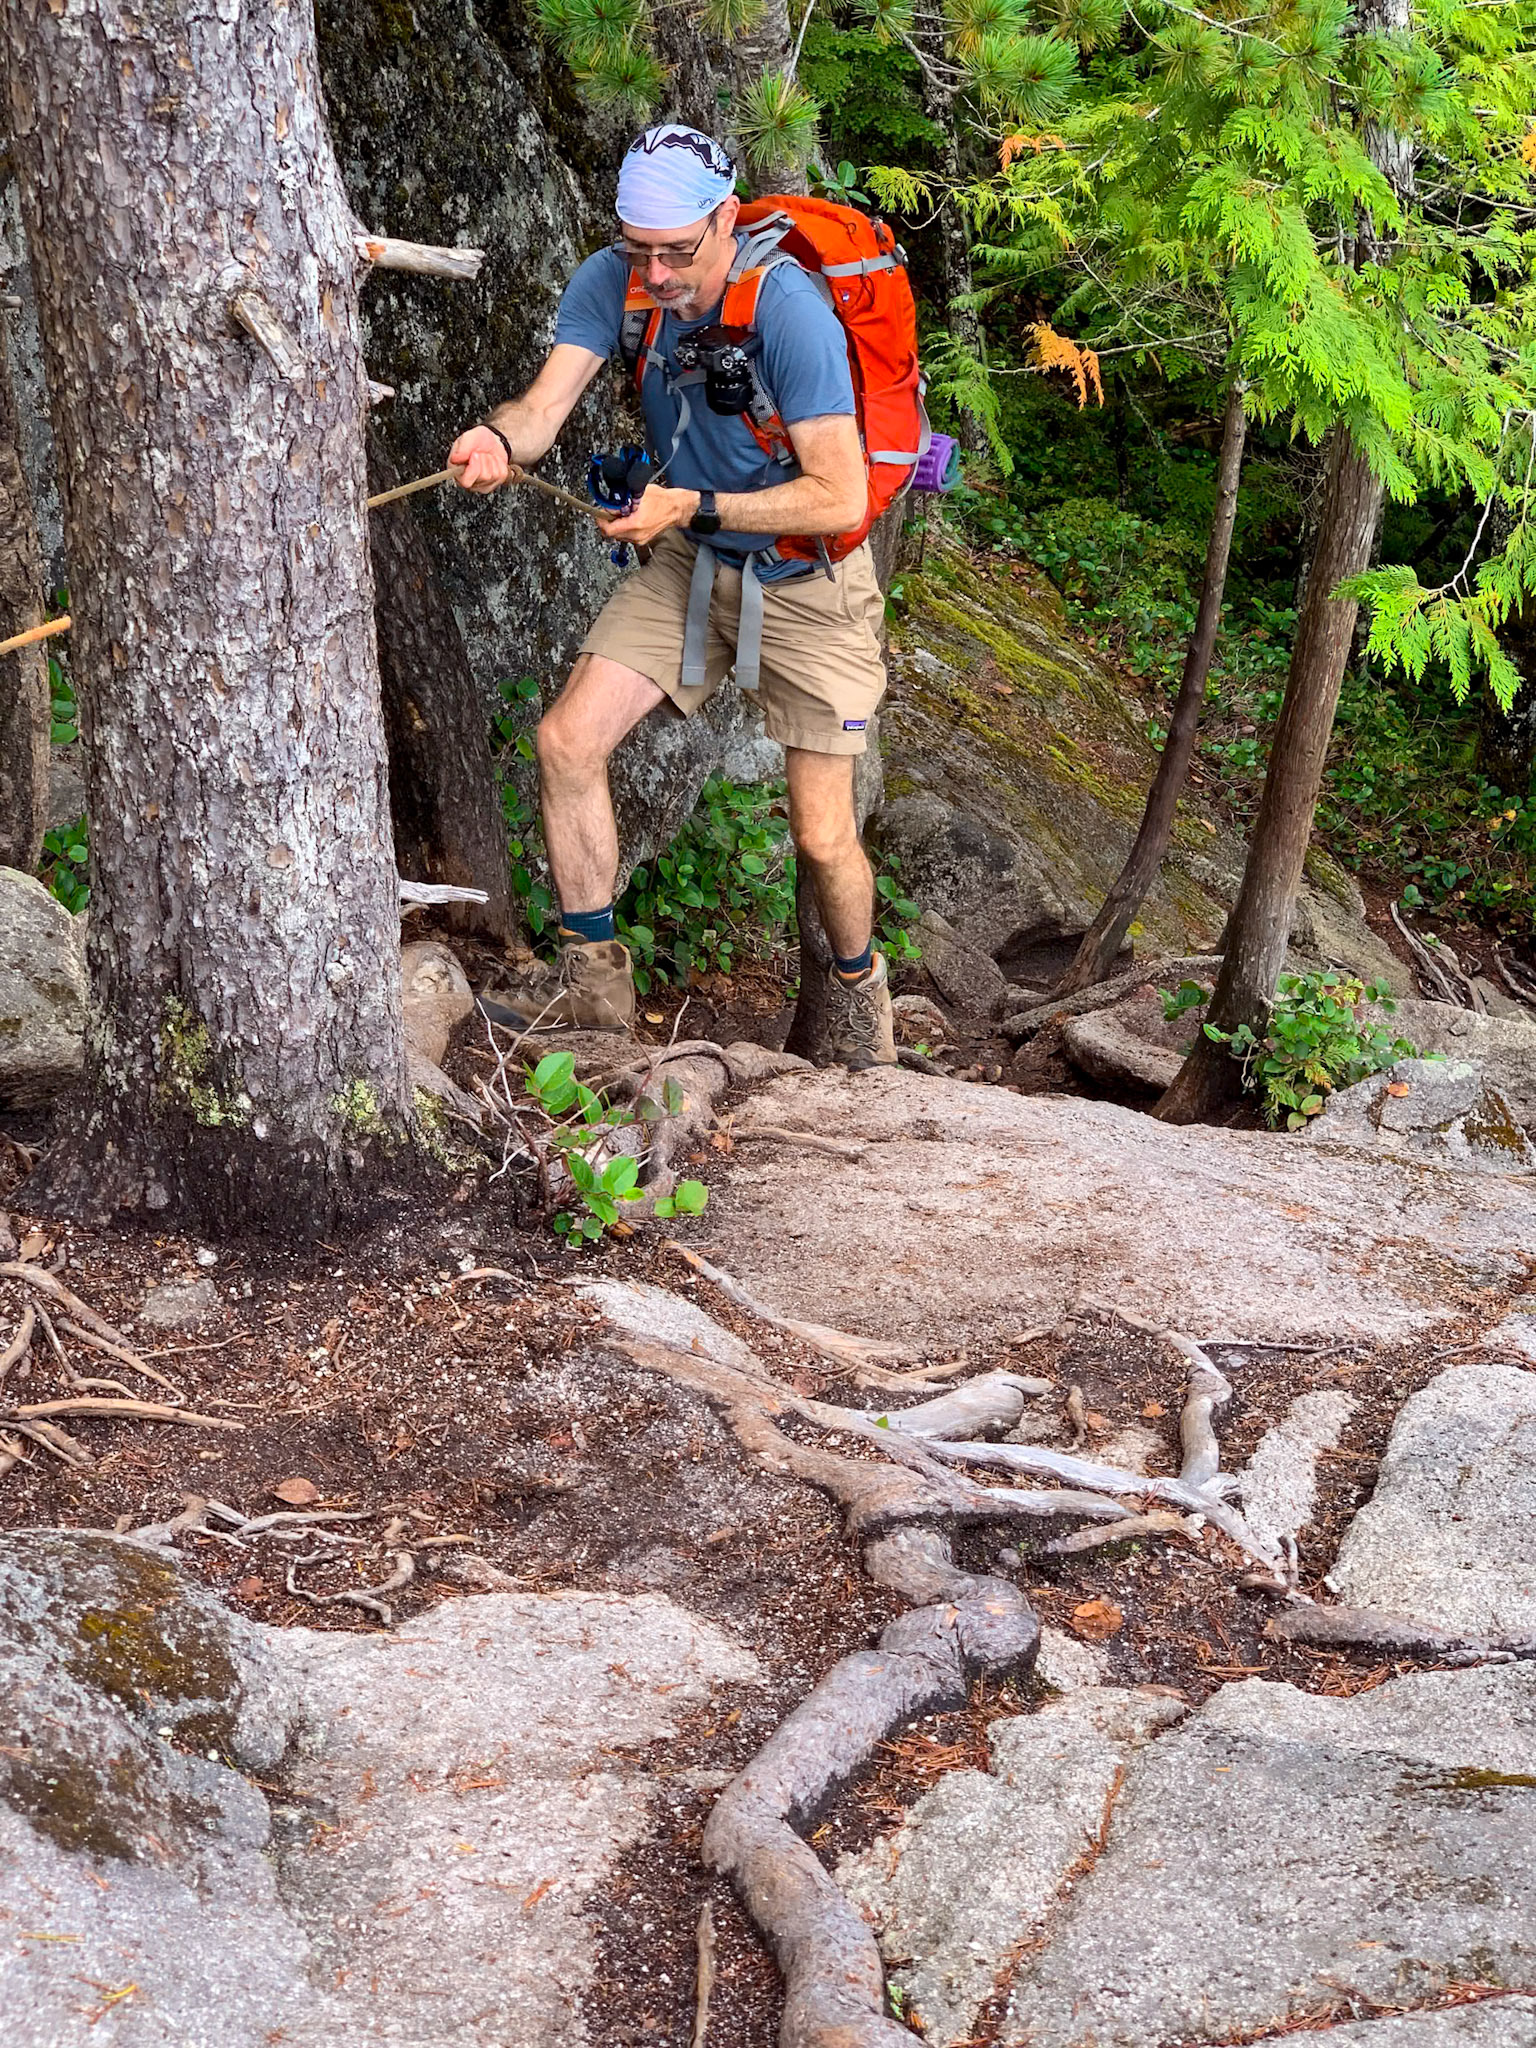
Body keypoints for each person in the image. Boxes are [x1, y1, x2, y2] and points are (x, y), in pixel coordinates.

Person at [447, 123, 896, 1069]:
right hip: (690, 558)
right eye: (635, 248)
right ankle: (593, 989)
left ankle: (860, 1003)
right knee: (567, 740)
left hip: (808, 574)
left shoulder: (789, 312)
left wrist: (695, 500)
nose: (652, 274)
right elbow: (542, 409)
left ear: (724, 219)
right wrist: (496, 439)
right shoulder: (612, 279)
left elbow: (841, 492)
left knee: (820, 835)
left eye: (674, 252)